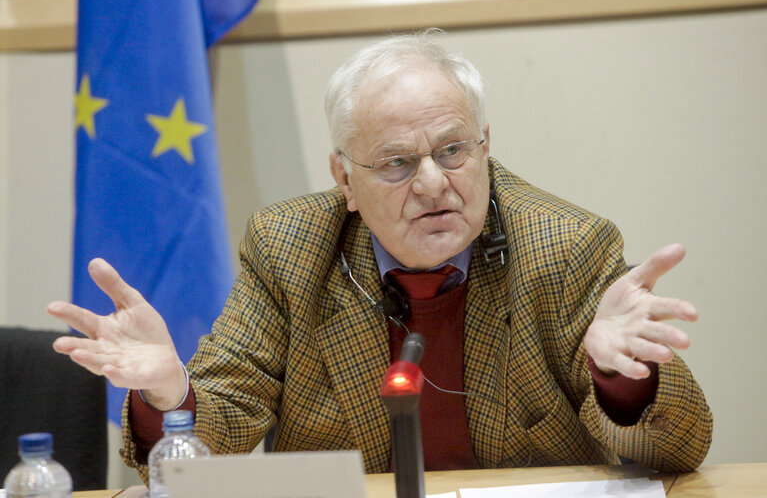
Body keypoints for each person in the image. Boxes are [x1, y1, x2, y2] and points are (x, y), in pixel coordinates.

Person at [48, 30, 712, 481]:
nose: (432, 183)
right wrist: (172, 393)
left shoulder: (565, 246)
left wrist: (619, 377)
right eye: (396, 163)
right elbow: (216, 432)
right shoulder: (290, 249)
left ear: (485, 144)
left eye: (452, 150)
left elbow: (677, 449)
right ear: (343, 179)